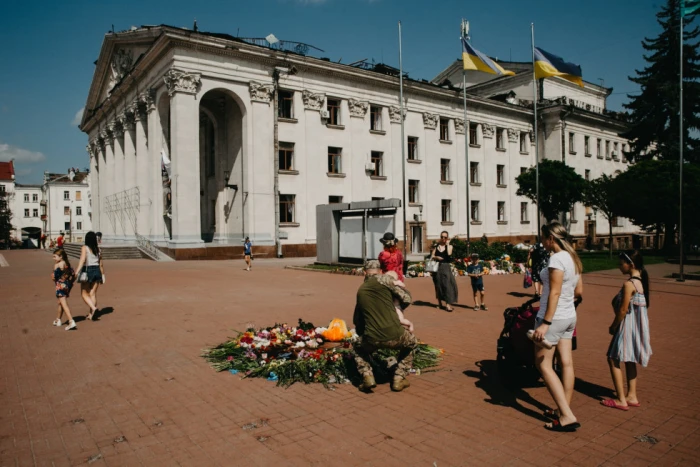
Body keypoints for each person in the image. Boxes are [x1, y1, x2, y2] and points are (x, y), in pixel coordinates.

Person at [531, 222, 583, 432]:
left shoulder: (556, 258)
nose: (542, 242)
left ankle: (566, 415)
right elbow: (579, 291)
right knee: (566, 363)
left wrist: (545, 323)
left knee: (543, 364)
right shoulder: (573, 258)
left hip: (554, 317)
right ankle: (564, 407)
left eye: (543, 238)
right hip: (569, 315)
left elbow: (553, 292)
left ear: (551, 238)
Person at [353, 260, 417, 392]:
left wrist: (363, 335)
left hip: (371, 338)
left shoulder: (361, 290)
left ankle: (367, 377)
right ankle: (399, 378)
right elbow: (407, 298)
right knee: (412, 343)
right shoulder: (385, 281)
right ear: (381, 271)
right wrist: (396, 308)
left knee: (357, 348)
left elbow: (357, 321)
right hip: (396, 335)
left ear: (364, 273)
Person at [601, 250, 652, 411]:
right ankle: (632, 395)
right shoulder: (641, 282)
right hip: (636, 327)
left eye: (621, 263)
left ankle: (621, 399)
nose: (618, 266)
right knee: (629, 359)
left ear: (631, 265)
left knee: (612, 358)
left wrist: (613, 326)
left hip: (626, 325)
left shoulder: (629, 284)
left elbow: (623, 310)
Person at [74, 232, 104, 321]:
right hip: (97, 271)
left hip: (88, 271)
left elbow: (82, 260)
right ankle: (91, 314)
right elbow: (101, 264)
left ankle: (93, 309)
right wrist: (103, 275)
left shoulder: (85, 248)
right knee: (92, 293)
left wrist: (76, 272)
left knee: (84, 294)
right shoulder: (98, 249)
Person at [430, 231, 458, 312]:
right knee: (438, 285)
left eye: (445, 237)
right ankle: (439, 303)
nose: (443, 239)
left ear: (447, 238)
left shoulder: (449, 246)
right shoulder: (436, 247)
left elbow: (449, 254)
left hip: (445, 267)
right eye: (442, 237)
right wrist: (436, 257)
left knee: (447, 285)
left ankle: (448, 304)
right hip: (437, 267)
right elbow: (432, 256)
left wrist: (448, 244)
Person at [52, 248, 77, 330]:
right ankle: (58, 320)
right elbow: (73, 274)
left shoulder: (57, 265)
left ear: (61, 256)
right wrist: (70, 282)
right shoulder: (67, 264)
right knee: (60, 303)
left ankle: (71, 321)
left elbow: (54, 277)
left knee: (64, 303)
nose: (53, 258)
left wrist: (53, 277)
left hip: (60, 286)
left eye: (55, 257)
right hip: (67, 285)